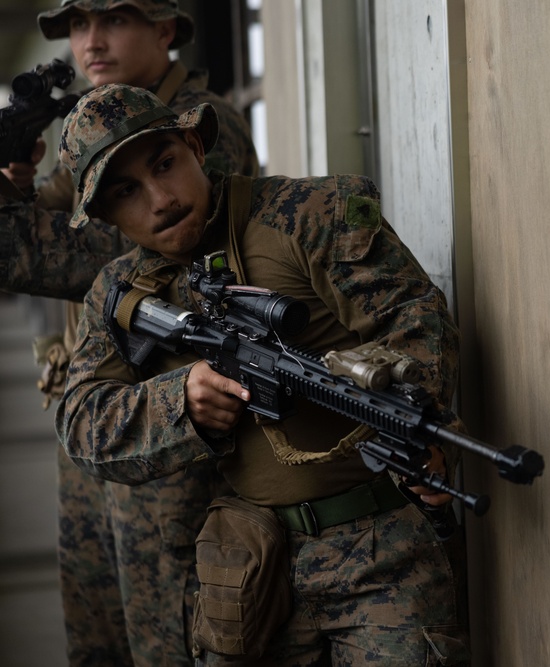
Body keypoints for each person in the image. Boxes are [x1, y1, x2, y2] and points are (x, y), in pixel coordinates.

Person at [53, 83, 469, 665]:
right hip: (243, 567)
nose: (160, 198)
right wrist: (183, 401)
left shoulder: (310, 214)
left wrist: (420, 421)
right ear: (103, 215)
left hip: (379, 546)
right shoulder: (118, 295)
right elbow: (81, 426)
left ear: (196, 145)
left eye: (165, 165)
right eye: (127, 192)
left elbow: (415, 322)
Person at [0, 1, 258, 664]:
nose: (91, 42)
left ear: (165, 30)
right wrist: (16, 185)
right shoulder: (92, 125)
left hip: (173, 420)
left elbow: (81, 257)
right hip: (98, 416)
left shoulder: (201, 127)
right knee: (98, 631)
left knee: (169, 635)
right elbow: (53, 215)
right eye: (78, 27)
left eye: (112, 21)